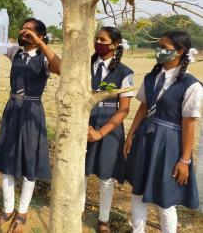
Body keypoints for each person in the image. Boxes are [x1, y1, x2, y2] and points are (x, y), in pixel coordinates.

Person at [124, 30, 203, 233]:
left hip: (169, 144)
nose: (159, 51)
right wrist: (131, 135)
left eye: (164, 48)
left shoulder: (191, 84)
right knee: (138, 191)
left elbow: (189, 123)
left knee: (165, 199)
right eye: (158, 46)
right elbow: (143, 107)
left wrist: (184, 160)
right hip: (145, 139)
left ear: (180, 51)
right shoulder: (152, 77)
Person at [0, 18, 61, 233]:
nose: (24, 33)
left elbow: (61, 68)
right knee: (6, 161)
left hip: (31, 113)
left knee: (29, 164)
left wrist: (40, 43)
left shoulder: (44, 58)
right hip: (13, 110)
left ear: (40, 35)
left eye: (29, 31)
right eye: (23, 30)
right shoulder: (16, 52)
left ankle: (22, 212)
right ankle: (8, 208)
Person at [83, 26, 134, 233]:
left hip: (110, 128)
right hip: (85, 122)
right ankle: (78, 209)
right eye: (96, 38)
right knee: (81, 172)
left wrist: (100, 132)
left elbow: (124, 110)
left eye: (102, 39)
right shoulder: (85, 66)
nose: (98, 42)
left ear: (114, 45)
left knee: (106, 177)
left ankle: (103, 219)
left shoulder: (125, 72)